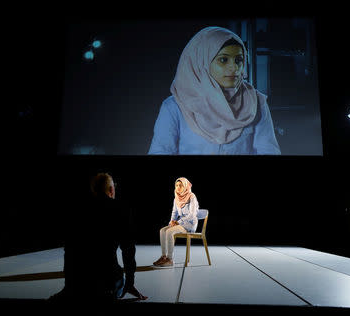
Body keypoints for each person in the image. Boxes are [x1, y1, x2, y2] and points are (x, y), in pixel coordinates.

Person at [148, 26, 281, 155]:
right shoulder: (175, 107)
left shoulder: (255, 102)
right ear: (202, 62)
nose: (234, 68)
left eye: (238, 60)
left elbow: (268, 151)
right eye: (223, 60)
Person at [49, 172, 147, 304]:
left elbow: (70, 250)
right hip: (108, 283)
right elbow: (128, 250)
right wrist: (129, 282)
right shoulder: (120, 209)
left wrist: (69, 287)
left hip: (80, 282)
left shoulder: (78, 211)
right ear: (111, 190)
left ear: (93, 190)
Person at [153, 177, 199, 267]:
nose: (178, 187)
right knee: (162, 230)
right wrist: (172, 222)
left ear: (185, 186)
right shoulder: (176, 197)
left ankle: (170, 259)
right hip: (180, 223)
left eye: (180, 185)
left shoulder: (191, 196)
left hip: (190, 224)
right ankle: (164, 257)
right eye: (176, 185)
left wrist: (179, 222)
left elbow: (192, 215)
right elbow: (174, 213)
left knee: (170, 232)